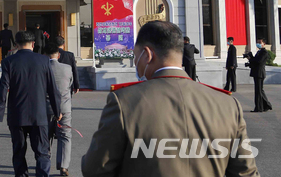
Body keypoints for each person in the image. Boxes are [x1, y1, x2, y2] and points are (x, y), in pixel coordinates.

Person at [82, 21, 259, 176]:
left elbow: (96, 169)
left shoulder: (124, 102)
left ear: (147, 54)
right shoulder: (227, 104)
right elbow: (245, 172)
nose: (136, 63)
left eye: (136, 57)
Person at [0, 31, 61, 177]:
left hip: (17, 114)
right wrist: (57, 110)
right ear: (33, 44)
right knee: (42, 152)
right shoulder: (44, 61)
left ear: (16, 45)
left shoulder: (8, 62)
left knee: (18, 152)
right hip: (39, 115)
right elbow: (52, 89)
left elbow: (3, 90)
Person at [45, 43, 73, 177]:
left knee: (46, 136)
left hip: (45, 108)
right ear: (59, 55)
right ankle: (63, 166)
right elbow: (70, 85)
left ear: (45, 55)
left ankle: (45, 162)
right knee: (65, 136)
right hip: (64, 107)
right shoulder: (67, 68)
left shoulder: (42, 68)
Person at [245, 39, 272, 113]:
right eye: (257, 42)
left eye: (260, 43)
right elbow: (255, 61)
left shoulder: (264, 52)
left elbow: (258, 61)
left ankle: (259, 108)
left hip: (260, 73)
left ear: (264, 44)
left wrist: (251, 59)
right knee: (260, 90)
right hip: (256, 72)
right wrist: (250, 59)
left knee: (258, 91)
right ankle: (266, 105)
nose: (258, 44)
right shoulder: (259, 52)